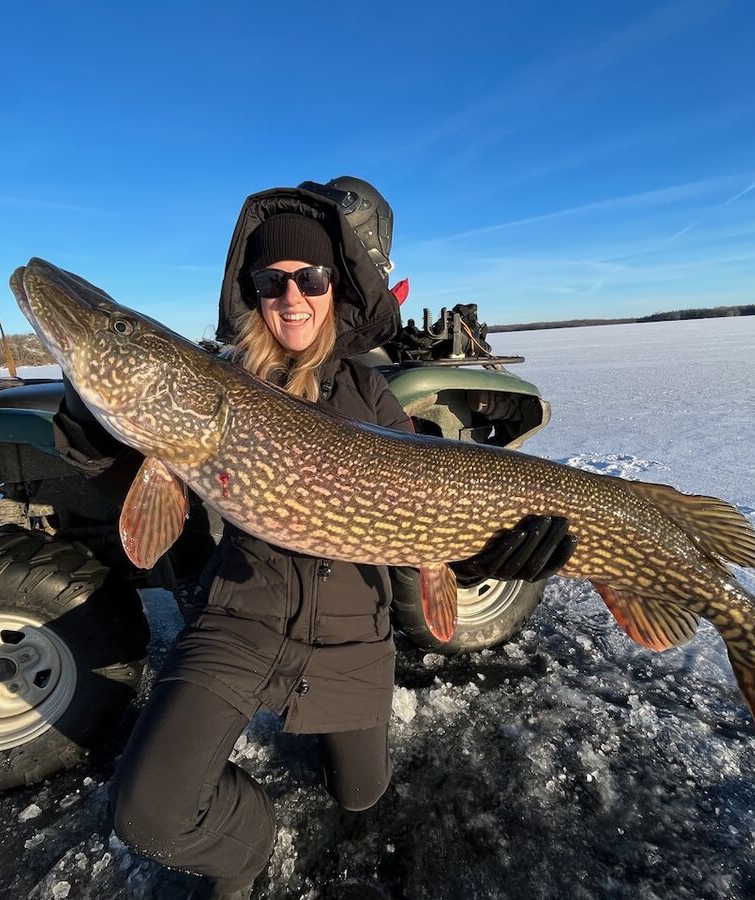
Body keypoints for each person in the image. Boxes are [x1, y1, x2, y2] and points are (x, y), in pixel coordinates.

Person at [59, 180, 573, 898]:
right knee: (150, 814)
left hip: (350, 636)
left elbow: (425, 495)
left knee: (360, 794)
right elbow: (119, 478)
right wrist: (89, 410)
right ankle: (247, 849)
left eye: (313, 277)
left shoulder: (372, 397)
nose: (292, 296)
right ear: (252, 290)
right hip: (240, 618)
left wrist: (489, 546)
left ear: (337, 287)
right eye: (272, 281)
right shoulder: (218, 385)